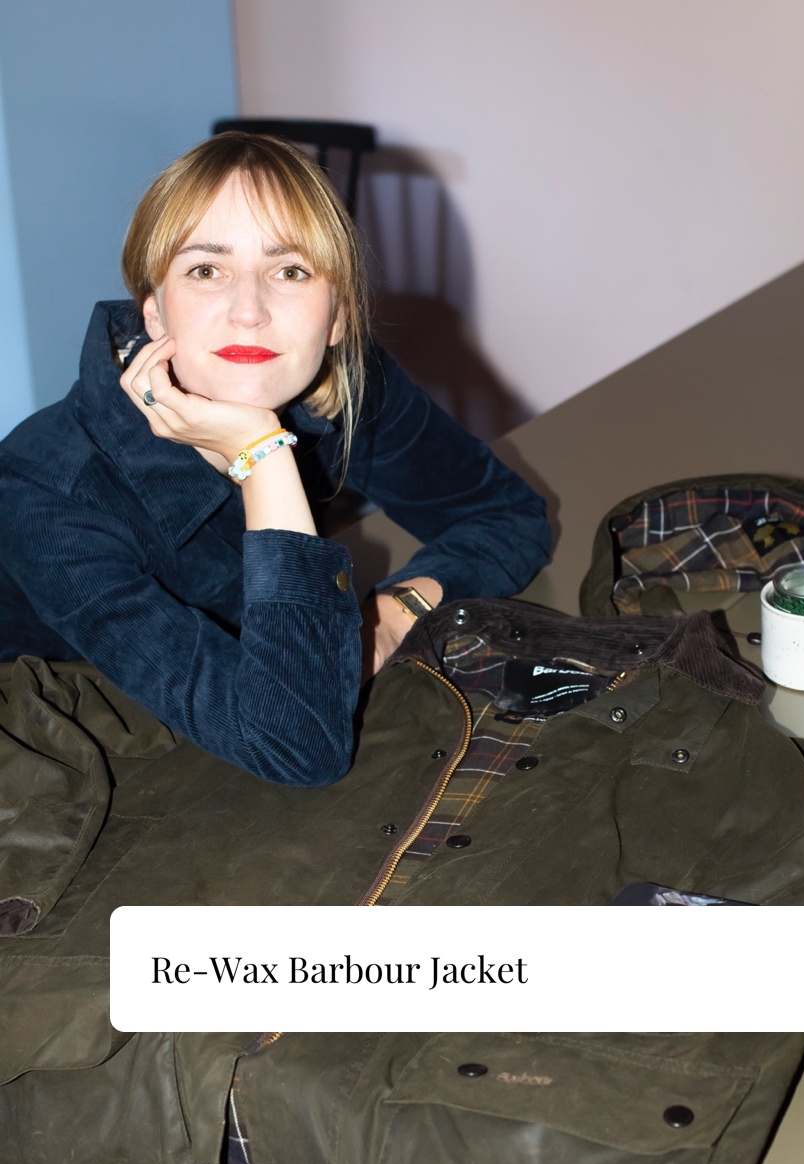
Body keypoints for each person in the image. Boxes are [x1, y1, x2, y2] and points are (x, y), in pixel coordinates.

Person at [0, 132, 551, 785]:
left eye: (290, 271)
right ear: (154, 313)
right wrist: (263, 455)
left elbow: (507, 516)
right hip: (68, 752)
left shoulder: (343, 378)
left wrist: (390, 615)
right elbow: (297, 745)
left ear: (336, 317)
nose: (249, 312)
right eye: (206, 270)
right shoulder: (44, 491)